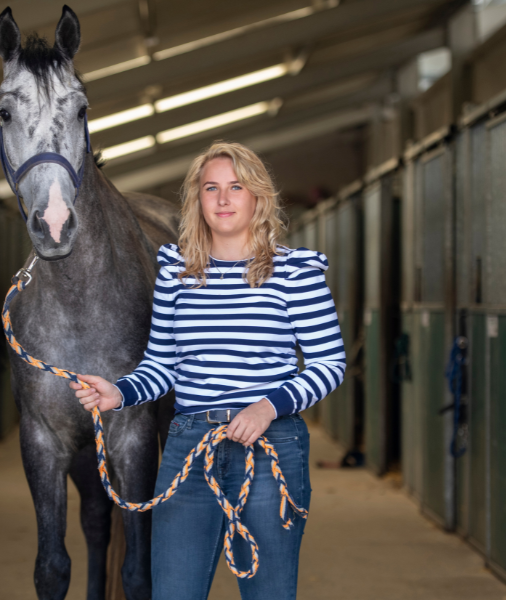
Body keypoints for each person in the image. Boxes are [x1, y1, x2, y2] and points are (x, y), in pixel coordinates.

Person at [69, 140, 346, 599]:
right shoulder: (177, 270)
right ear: (196, 199)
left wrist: (265, 409)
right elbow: (162, 364)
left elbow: (328, 364)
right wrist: (119, 393)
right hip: (190, 446)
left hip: (270, 444)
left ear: (258, 196)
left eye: (236, 187)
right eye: (211, 187)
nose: (222, 199)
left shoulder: (296, 272)